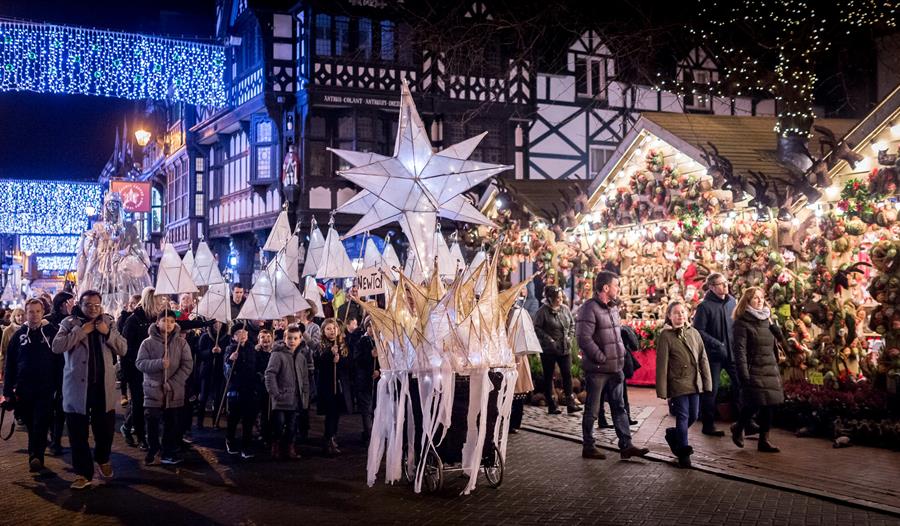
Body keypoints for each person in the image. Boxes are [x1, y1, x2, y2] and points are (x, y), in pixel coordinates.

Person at [51, 290, 127, 489]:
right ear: (80, 305)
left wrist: (107, 333)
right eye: (88, 305)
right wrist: (80, 332)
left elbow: (123, 349)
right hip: (77, 388)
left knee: (105, 431)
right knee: (77, 434)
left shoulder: (109, 322)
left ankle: (102, 459)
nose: (93, 308)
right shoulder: (68, 323)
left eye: (96, 305)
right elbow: (57, 346)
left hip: (102, 388)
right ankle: (83, 473)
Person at [576, 271, 649, 460]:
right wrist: (600, 357)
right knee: (592, 408)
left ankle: (626, 445)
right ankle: (588, 446)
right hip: (599, 369)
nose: (619, 288)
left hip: (616, 368)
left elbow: (616, 336)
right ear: (606, 288)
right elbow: (583, 338)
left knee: (620, 407)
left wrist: (621, 355)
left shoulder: (613, 307)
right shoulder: (588, 308)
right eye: (616, 285)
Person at [2, 299, 62, 472]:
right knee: (30, 424)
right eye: (31, 311)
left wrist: (60, 387)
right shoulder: (18, 336)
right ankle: (34, 455)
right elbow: (10, 364)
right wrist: (7, 390)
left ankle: (36, 458)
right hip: (24, 389)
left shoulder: (52, 332)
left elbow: (60, 362)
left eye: (37, 311)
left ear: (42, 312)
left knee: (40, 423)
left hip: (46, 388)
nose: (34, 315)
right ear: (26, 314)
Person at [656, 300, 712, 468]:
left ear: (687, 314)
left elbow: (703, 358)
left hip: (694, 381)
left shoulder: (694, 333)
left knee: (694, 415)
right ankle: (683, 453)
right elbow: (662, 364)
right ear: (669, 316)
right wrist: (662, 389)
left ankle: (674, 435)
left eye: (682, 312)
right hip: (678, 382)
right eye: (675, 313)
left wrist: (707, 382)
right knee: (683, 416)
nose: (680, 315)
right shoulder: (666, 336)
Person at [730, 287, 784, 453]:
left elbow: (778, 343)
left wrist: (777, 330)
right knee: (753, 404)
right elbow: (740, 351)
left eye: (761, 298)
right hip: (754, 368)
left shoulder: (767, 319)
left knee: (770, 404)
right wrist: (743, 374)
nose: (760, 301)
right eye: (755, 298)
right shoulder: (742, 322)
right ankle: (739, 427)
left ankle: (764, 440)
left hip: (769, 367)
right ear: (747, 302)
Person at [136, 310, 194, 465]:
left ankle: (168, 452)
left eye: (171, 321)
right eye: (164, 320)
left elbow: (187, 365)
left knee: (171, 423)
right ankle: (153, 448)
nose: (168, 324)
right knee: (152, 422)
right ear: (157, 322)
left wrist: (173, 383)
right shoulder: (147, 343)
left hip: (174, 391)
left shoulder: (181, 343)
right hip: (153, 390)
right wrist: (159, 363)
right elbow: (140, 363)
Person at [693, 272, 747, 437]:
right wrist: (717, 344)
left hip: (732, 353)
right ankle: (708, 425)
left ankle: (742, 423)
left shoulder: (732, 302)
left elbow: (737, 324)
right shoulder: (704, 306)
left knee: (741, 385)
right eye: (721, 284)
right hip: (713, 355)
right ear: (711, 287)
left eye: (726, 283)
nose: (725, 286)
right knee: (712, 390)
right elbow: (698, 330)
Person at [121, 287, 167, 450]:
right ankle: (141, 437)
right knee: (139, 403)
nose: (161, 303)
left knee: (150, 403)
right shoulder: (133, 320)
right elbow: (126, 347)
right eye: (158, 300)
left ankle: (129, 427)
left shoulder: (155, 319)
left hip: (153, 368)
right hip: (137, 368)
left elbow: (178, 324)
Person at [265, 324, 310, 460]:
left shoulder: (301, 357)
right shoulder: (278, 355)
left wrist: (305, 396)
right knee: (278, 425)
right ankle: (276, 446)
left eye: (295, 338)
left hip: (295, 399)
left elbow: (304, 378)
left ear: (300, 339)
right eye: (289, 338)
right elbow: (270, 374)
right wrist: (275, 393)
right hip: (281, 398)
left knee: (292, 426)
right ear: (284, 338)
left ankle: (290, 448)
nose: (292, 341)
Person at [533, 286, 580, 414]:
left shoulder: (565, 309)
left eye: (561, 297)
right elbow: (537, 328)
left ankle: (570, 402)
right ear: (550, 298)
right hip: (549, 350)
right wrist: (549, 340)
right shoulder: (542, 311)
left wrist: (570, 337)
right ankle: (552, 404)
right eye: (557, 298)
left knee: (567, 375)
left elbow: (572, 324)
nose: (560, 300)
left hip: (565, 348)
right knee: (549, 377)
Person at [45, 291, 75, 457]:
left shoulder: (73, 320)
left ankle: (56, 439)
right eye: (66, 302)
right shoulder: (48, 321)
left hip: (67, 367)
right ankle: (50, 434)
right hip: (50, 367)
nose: (68, 306)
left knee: (62, 405)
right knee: (50, 404)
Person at [315, 318, 351, 456]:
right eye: (328, 329)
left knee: (336, 414)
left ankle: (333, 436)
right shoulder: (321, 346)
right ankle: (328, 439)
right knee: (330, 414)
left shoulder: (343, 346)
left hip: (340, 385)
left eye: (334, 328)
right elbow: (318, 363)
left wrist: (339, 360)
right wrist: (330, 354)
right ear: (324, 331)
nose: (332, 331)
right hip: (327, 385)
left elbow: (349, 364)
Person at [223, 329, 259, 458]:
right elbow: (226, 372)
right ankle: (230, 440)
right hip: (235, 388)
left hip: (249, 388)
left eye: (245, 332)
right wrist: (230, 360)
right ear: (233, 336)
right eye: (238, 333)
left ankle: (246, 446)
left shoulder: (252, 348)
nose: (243, 335)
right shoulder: (230, 349)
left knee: (248, 419)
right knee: (233, 417)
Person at [197, 320, 230, 429]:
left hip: (220, 372)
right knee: (203, 397)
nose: (218, 325)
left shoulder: (226, 338)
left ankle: (216, 422)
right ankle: (199, 422)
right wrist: (210, 351)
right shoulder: (205, 337)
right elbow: (200, 353)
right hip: (207, 371)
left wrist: (221, 351)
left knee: (218, 398)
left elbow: (228, 353)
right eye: (215, 322)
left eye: (220, 323)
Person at [348, 317, 376, 442]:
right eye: (371, 327)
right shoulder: (362, 341)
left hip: (378, 381)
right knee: (367, 409)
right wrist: (370, 355)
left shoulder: (382, 341)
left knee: (376, 408)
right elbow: (357, 360)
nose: (373, 329)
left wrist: (379, 371)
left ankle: (376, 433)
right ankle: (369, 434)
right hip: (364, 380)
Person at [116, 294, 142, 406]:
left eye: (134, 303)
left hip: (134, 349)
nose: (131, 305)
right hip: (124, 347)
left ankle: (131, 395)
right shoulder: (124, 317)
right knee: (124, 370)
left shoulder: (139, 318)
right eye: (130, 303)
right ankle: (123, 394)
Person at [254, 329, 275, 446]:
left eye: (268, 337)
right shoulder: (256, 353)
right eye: (263, 337)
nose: (266, 339)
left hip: (273, 385)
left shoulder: (275, 353)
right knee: (262, 410)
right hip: (261, 385)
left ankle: (272, 432)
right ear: (259, 340)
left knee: (272, 410)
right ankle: (263, 432)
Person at [0, 307, 24, 381]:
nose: (21, 317)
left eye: (23, 315)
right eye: (18, 315)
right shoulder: (7, 331)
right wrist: (1, 368)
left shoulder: (28, 328)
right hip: (12, 364)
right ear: (14, 317)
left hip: (24, 364)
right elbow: (3, 350)